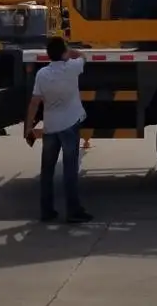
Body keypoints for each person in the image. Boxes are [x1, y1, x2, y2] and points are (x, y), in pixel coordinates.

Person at [24, 37, 93, 224]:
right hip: (70, 124)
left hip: (50, 127)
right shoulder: (72, 68)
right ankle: (73, 211)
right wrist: (73, 52)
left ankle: (47, 211)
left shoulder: (42, 74)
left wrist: (29, 126)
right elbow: (84, 57)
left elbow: (34, 102)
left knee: (47, 171)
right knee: (70, 170)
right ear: (64, 53)